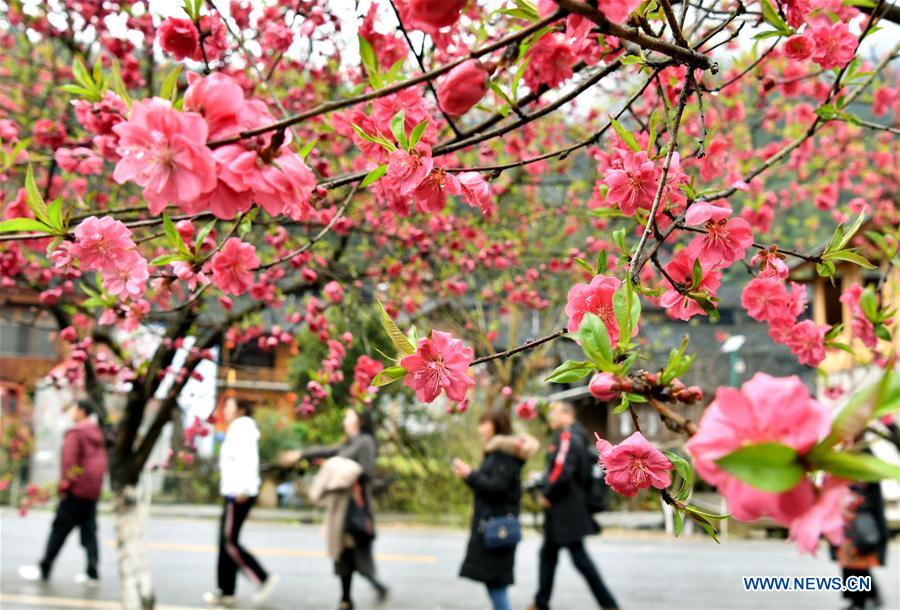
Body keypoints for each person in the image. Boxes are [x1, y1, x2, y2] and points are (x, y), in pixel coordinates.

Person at [281, 408, 388, 610]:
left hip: (357, 506)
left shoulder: (365, 442)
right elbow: (326, 451)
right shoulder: (349, 443)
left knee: (359, 554)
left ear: (359, 420)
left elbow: (366, 470)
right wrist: (301, 454)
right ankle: (346, 600)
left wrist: (339, 467)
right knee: (342, 552)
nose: (345, 420)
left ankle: (375, 584)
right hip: (340, 507)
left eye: (348, 416)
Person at [529, 401, 619, 610]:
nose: (551, 417)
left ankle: (609, 604)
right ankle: (541, 602)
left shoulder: (567, 436)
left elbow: (562, 469)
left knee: (580, 559)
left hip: (565, 509)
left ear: (567, 415)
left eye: (555, 412)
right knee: (549, 556)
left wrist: (548, 494)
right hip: (565, 509)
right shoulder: (575, 435)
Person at [452, 408, 539, 610]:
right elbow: (489, 487)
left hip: (497, 528)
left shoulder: (503, 454)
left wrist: (469, 474)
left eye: (485, 423)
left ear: (497, 425)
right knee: (494, 582)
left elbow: (496, 488)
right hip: (493, 526)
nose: (480, 429)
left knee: (496, 583)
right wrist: (469, 476)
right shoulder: (497, 453)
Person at [19, 399, 108, 585]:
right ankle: (93, 574)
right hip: (92, 492)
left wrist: (64, 486)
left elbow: (69, 462)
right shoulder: (98, 433)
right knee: (90, 533)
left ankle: (44, 567)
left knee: (59, 530)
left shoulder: (76, 433)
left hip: (75, 492)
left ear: (82, 411)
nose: (71, 412)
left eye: (74, 409)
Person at [203, 399, 279, 608]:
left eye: (229, 406)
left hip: (239, 493)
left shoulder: (242, 427)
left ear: (241, 410)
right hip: (234, 492)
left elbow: (248, 460)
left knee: (229, 542)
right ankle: (226, 591)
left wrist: (242, 490)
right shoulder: (238, 428)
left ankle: (262, 578)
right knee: (225, 543)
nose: (225, 410)